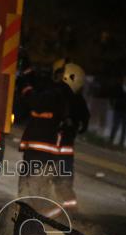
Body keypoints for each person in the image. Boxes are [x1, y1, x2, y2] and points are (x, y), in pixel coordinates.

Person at [18, 59, 89, 214]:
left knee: (30, 191)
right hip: (63, 155)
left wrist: (25, 87)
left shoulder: (55, 94)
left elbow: (34, 101)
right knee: (64, 188)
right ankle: (70, 218)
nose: (55, 78)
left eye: (59, 74)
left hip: (40, 152)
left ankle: (43, 216)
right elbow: (84, 124)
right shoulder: (77, 101)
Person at [110, 75, 126, 148]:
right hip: (118, 109)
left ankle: (121, 143)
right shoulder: (118, 87)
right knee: (115, 126)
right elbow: (112, 95)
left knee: (124, 128)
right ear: (124, 79)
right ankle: (110, 141)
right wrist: (112, 105)